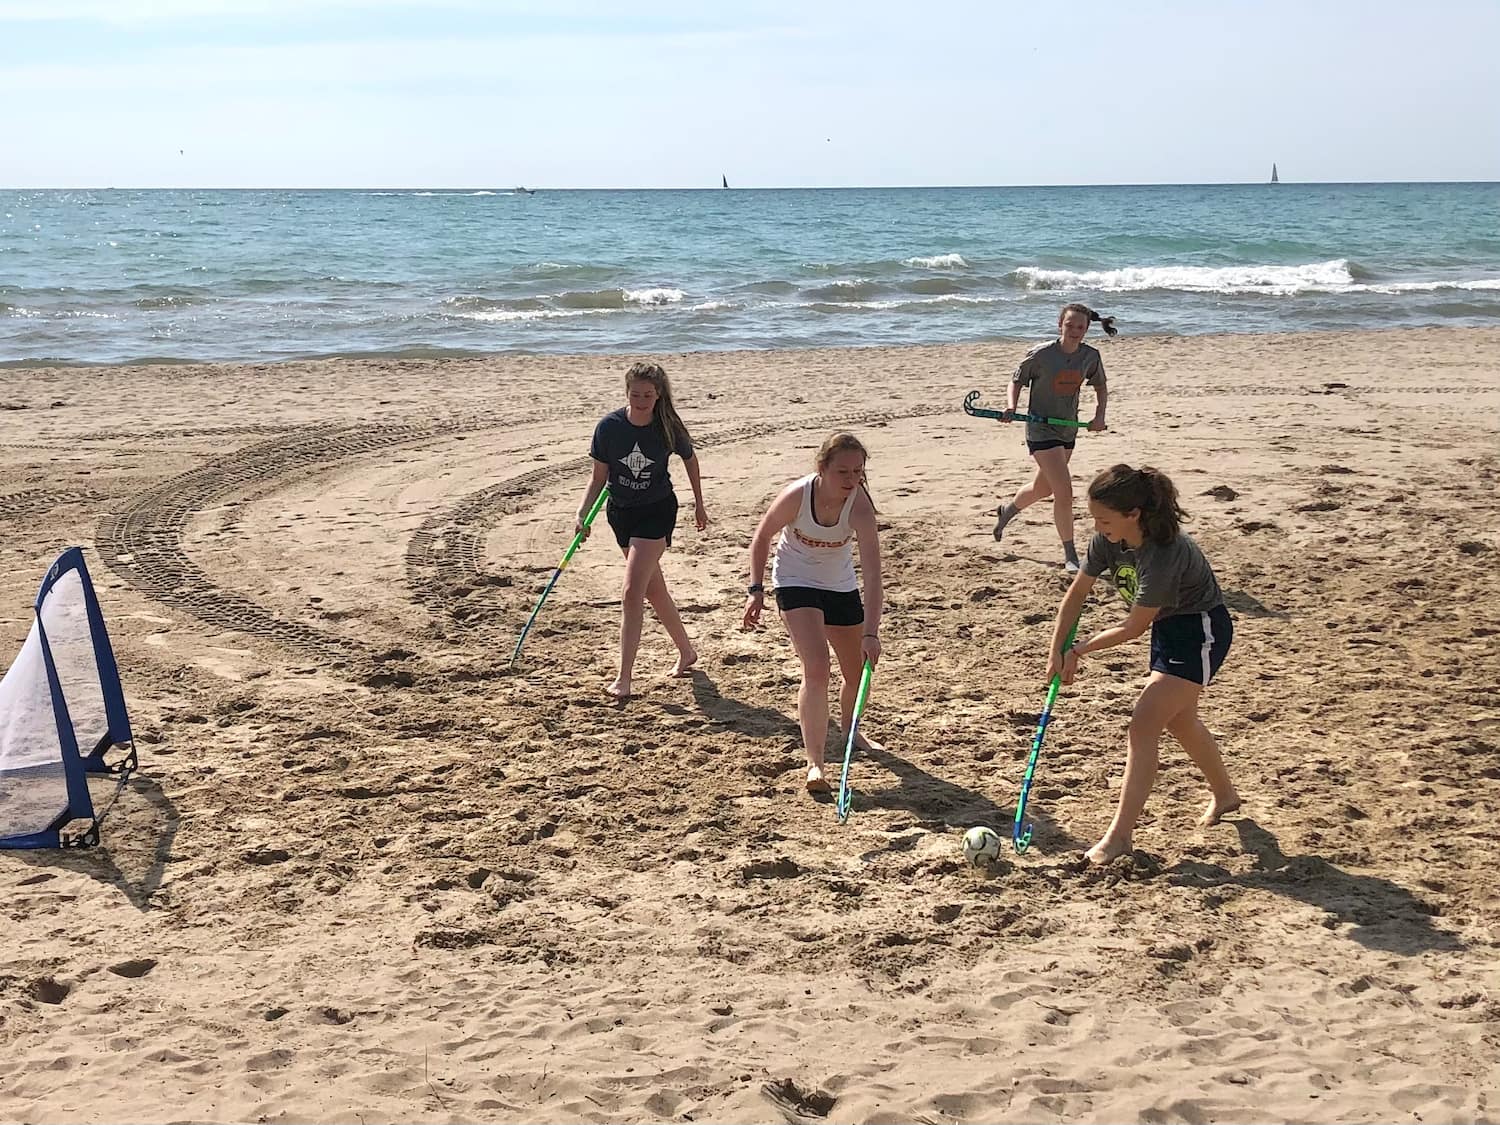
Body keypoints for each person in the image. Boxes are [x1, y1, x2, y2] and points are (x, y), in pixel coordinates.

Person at [1045, 463, 1241, 865]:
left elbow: (1133, 626)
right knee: (1180, 721)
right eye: (1094, 518)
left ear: (1133, 514)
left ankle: (1119, 836)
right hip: (1169, 630)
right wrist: (1056, 649)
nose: (1097, 527)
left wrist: (1079, 650)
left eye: (1104, 519)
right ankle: (1225, 795)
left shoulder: (1165, 552)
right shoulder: (1107, 540)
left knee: (1144, 722)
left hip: (1200, 629)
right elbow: (1077, 594)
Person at [742, 433, 883, 794]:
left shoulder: (860, 506)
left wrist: (871, 633)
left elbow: (873, 574)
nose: (851, 479)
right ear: (822, 469)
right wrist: (756, 591)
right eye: (842, 472)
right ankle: (815, 763)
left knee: (858, 672)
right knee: (817, 667)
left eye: (857, 471)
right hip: (795, 579)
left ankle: (852, 731)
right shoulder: (798, 495)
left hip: (839, 585)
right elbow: (762, 537)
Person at [575, 362, 708, 699]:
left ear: (659, 394)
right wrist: (582, 514)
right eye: (635, 394)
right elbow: (598, 478)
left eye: (648, 395)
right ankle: (687, 652)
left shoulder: (667, 425)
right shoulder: (609, 427)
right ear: (627, 392)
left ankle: (624, 678)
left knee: (632, 592)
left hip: (656, 511)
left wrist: (699, 503)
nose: (641, 400)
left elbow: (690, 460)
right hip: (621, 513)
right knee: (653, 590)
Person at [992, 303, 1115, 572]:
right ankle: (1070, 555)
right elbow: (1016, 381)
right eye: (1069, 325)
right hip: (1040, 429)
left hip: (1067, 428)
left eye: (1080, 327)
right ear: (1060, 324)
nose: (1074, 331)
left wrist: (1099, 416)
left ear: (1086, 329)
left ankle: (1007, 512)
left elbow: (1101, 387)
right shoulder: (1041, 355)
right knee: (1064, 490)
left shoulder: (1090, 356)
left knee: (1043, 489)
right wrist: (1011, 407)